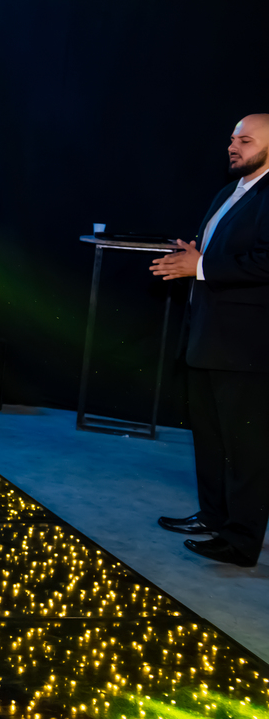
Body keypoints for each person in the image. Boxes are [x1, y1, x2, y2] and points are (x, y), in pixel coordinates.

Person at [151, 113, 269, 568]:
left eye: (246, 140)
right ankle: (214, 517)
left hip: (246, 347)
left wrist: (199, 266)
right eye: (232, 140)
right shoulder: (230, 191)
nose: (233, 147)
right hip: (208, 336)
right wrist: (192, 256)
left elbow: (265, 262)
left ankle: (241, 541)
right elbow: (217, 255)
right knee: (211, 438)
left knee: (246, 449)